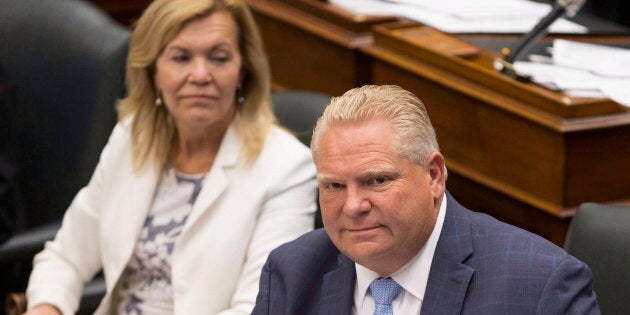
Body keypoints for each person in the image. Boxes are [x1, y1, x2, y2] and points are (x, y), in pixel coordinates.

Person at [24, 0, 317, 314]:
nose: (200, 74)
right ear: (152, 72)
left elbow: (259, 307)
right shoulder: (131, 137)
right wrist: (47, 306)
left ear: (243, 70)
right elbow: (65, 257)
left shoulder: (287, 168)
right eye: (181, 57)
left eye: (218, 58)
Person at [252, 85, 600, 314]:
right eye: (334, 186)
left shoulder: (538, 285)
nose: (353, 206)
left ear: (434, 176)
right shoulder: (292, 272)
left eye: (377, 180)